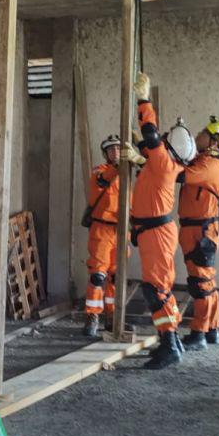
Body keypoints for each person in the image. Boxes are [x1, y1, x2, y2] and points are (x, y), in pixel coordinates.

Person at [128, 71, 196, 370]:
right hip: (154, 230)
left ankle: (169, 343)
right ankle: (170, 340)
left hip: (157, 233)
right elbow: (149, 150)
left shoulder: (164, 163)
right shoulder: (167, 166)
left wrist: (143, 99)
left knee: (156, 288)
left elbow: (150, 133)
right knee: (158, 286)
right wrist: (138, 156)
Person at [177, 118, 219, 351]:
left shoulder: (209, 165)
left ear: (214, 140)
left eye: (203, 132)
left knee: (200, 283)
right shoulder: (204, 162)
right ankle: (211, 329)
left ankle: (198, 334)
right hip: (201, 228)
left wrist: (149, 159)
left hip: (200, 230)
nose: (198, 134)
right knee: (206, 281)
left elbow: (179, 175)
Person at [82, 134, 123, 338]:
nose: (115, 152)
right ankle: (92, 317)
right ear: (106, 153)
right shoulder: (100, 171)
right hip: (102, 228)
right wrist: (123, 164)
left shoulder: (129, 174)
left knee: (116, 276)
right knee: (98, 275)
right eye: (111, 150)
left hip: (122, 230)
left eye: (118, 149)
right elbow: (104, 180)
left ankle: (112, 317)